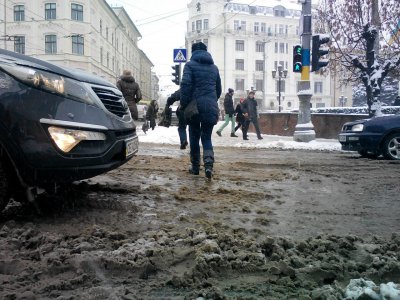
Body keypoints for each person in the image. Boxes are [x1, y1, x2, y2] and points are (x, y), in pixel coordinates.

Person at [180, 41, 222, 179]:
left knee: (194, 136)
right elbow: (219, 89)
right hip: (210, 106)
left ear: (193, 52)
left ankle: (196, 167)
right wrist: (211, 101)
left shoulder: (189, 65)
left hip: (195, 107)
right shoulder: (214, 68)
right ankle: (209, 165)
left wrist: (185, 104)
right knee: (206, 137)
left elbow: (185, 85)